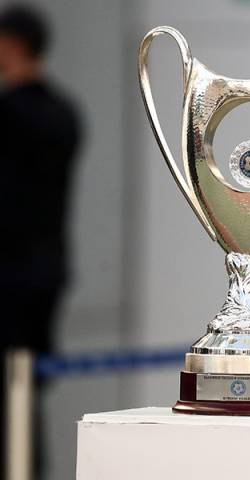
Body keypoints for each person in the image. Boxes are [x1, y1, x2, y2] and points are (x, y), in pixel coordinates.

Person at [0, 5, 82, 479]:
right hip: (46, 272)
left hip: (9, 276)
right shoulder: (64, 113)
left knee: (13, 394)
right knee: (26, 393)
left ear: (12, 45)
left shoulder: (10, 115)